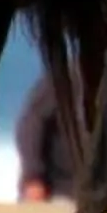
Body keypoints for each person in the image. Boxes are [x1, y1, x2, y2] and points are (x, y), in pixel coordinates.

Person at [13, 74, 77, 203]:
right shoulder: (65, 79)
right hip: (56, 191)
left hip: (94, 193)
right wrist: (33, 178)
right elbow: (30, 124)